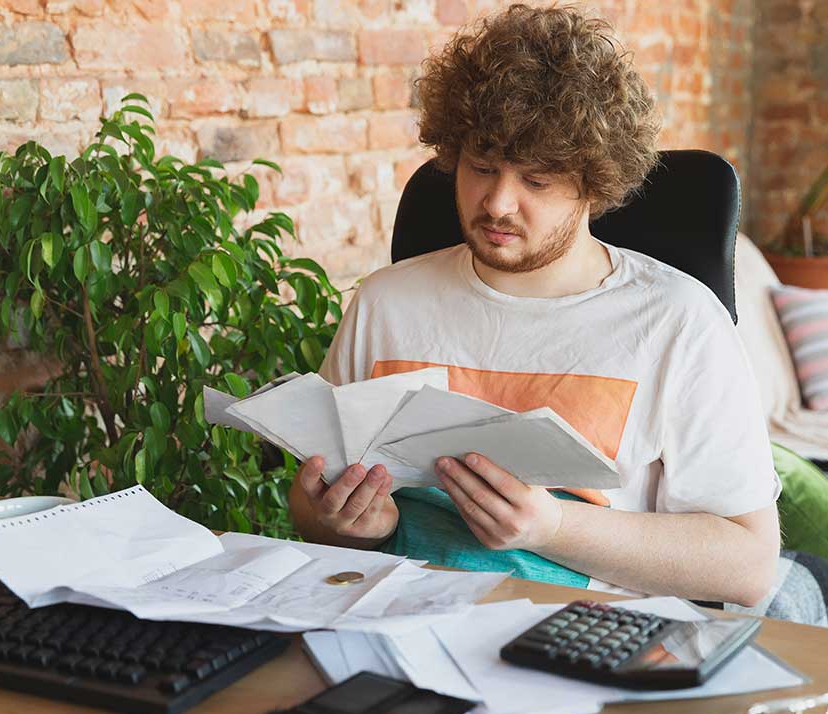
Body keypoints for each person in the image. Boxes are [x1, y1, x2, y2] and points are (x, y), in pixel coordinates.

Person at [288, 4, 780, 607]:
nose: (496, 202)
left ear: (593, 185)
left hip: (581, 647)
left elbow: (749, 567)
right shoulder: (385, 302)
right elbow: (312, 510)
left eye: (536, 182)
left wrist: (555, 528)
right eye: (481, 168)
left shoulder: (677, 321)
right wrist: (350, 524)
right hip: (391, 622)